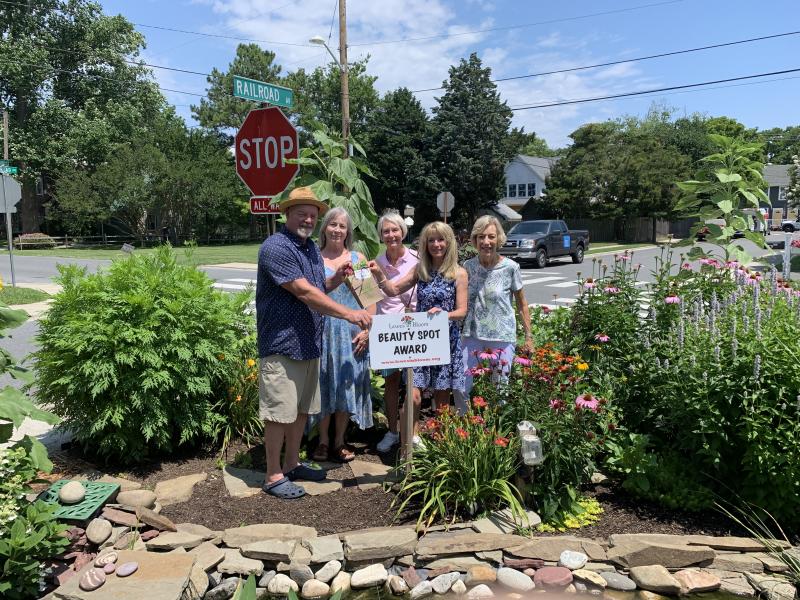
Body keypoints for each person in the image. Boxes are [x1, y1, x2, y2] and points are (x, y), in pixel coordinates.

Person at [257, 187, 371, 499]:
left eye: (312, 214)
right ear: (287, 214)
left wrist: (339, 278)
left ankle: (292, 463)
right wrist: (350, 314)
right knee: (279, 412)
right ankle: (273, 474)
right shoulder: (275, 248)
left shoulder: (308, 249)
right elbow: (304, 293)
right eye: (301, 213)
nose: (308, 219)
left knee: (302, 411)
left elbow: (320, 287)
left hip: (309, 342)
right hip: (282, 342)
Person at [369, 221, 467, 447]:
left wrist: (445, 314)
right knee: (413, 395)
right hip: (421, 339)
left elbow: (462, 311)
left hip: (445, 340)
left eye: (440, 239)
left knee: (442, 398)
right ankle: (409, 443)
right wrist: (378, 273)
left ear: (449, 242)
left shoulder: (459, 273)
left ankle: (443, 445)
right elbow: (393, 290)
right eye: (431, 240)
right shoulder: (420, 270)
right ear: (425, 244)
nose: (436, 244)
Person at [310, 207, 373, 463]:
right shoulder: (313, 257)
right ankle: (323, 441)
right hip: (321, 331)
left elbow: (369, 299)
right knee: (323, 384)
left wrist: (368, 330)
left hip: (351, 332)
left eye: (342, 226)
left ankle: (339, 441)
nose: (337, 230)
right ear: (324, 227)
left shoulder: (356, 258)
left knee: (347, 382)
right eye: (333, 224)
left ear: (348, 232)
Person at [461, 215, 533, 406]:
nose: (486, 242)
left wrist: (528, 337)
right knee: (461, 385)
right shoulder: (467, 267)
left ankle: (496, 430)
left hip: (502, 335)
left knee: (499, 390)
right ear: (475, 240)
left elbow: (522, 304)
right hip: (472, 334)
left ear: (499, 239)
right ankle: (462, 428)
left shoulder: (511, 267)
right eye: (481, 237)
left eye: (491, 237)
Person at [373, 211, 418, 454]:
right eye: (386, 231)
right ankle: (392, 431)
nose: (391, 235)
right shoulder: (376, 263)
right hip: (387, 330)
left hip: (414, 329)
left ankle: (414, 435)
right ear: (381, 235)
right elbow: (369, 298)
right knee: (391, 384)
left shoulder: (417, 259)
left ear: (403, 232)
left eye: (395, 230)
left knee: (415, 385)